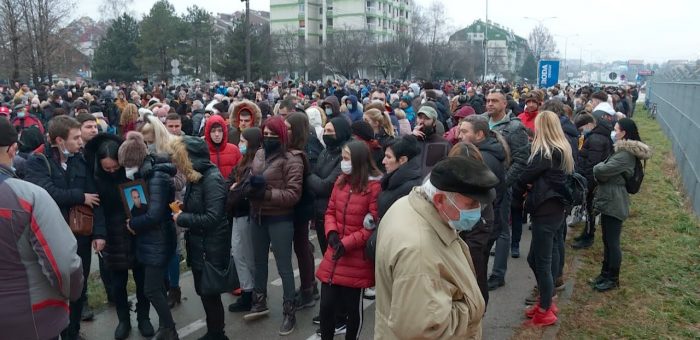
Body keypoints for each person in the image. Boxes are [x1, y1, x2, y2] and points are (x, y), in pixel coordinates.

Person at [375, 157, 498, 339]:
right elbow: (424, 329)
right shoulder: (419, 252)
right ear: (440, 199)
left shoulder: (410, 205)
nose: (477, 211)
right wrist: (473, 307)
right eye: (471, 204)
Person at [0, 117, 84, 340]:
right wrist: (73, 293)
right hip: (28, 318)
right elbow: (64, 265)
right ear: (12, 149)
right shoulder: (28, 196)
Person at [24, 115, 106, 340]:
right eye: (76, 138)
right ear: (60, 141)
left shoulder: (80, 160)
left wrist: (99, 233)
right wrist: (79, 196)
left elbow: (95, 199)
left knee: (78, 287)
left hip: (80, 237)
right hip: (51, 239)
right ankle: (56, 332)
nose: (81, 142)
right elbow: (46, 192)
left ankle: (73, 332)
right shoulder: (38, 161)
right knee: (55, 290)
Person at [85, 133, 154, 339]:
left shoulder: (133, 171)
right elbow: (97, 210)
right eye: (108, 168)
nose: (112, 171)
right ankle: (123, 320)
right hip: (111, 235)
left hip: (135, 230)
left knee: (142, 280)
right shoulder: (96, 179)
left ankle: (144, 318)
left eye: (115, 167)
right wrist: (98, 235)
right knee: (118, 283)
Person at [512, 111, 575, 327]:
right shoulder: (562, 148)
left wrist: (526, 185)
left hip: (545, 210)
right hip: (555, 208)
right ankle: (546, 302)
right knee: (542, 258)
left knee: (540, 261)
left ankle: (546, 308)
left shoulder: (545, 153)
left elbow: (524, 176)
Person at [242, 116, 303, 336]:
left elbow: (293, 194)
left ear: (282, 135)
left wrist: (266, 193)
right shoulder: (258, 153)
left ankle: (289, 310)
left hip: (280, 218)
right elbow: (251, 175)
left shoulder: (292, 159)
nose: (268, 138)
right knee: (259, 262)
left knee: (284, 266)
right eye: (265, 134)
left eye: (273, 135)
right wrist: (248, 187)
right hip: (257, 216)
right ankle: (259, 301)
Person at [316, 141, 382, 340]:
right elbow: (330, 211)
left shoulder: (373, 187)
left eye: (346, 159)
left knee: (353, 309)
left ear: (358, 161)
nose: (343, 163)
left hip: (355, 257)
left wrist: (348, 243)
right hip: (335, 252)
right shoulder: (341, 182)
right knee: (326, 306)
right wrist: (332, 233)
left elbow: (372, 226)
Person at [171, 136, 231, 340]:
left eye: (180, 158)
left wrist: (183, 218)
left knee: (210, 293)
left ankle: (218, 334)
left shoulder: (211, 178)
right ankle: (214, 332)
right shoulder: (196, 177)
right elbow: (201, 207)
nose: (177, 163)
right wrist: (184, 208)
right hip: (200, 244)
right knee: (205, 292)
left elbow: (213, 217)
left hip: (211, 246)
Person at [119, 131, 179, 340]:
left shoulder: (156, 177)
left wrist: (133, 223)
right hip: (153, 239)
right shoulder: (148, 174)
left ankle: (170, 328)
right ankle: (164, 326)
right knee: (157, 286)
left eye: (127, 165)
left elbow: (154, 214)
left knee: (151, 289)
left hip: (158, 238)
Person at [591, 118, 651, 292]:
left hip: (615, 201)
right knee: (607, 240)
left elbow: (601, 170)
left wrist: (599, 168)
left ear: (623, 133)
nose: (613, 132)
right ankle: (605, 273)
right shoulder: (621, 151)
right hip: (611, 198)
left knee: (612, 241)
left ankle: (612, 278)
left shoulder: (624, 154)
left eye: (616, 129)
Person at [573, 91, 616, 249]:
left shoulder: (596, 139)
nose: (581, 131)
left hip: (592, 181)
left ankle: (588, 237)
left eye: (582, 127)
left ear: (590, 124)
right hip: (592, 179)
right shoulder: (595, 136)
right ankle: (586, 233)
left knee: (591, 209)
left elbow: (593, 164)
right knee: (589, 209)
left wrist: (587, 185)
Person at [226, 127, 263, 313]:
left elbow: (242, 190)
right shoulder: (243, 161)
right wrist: (233, 187)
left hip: (247, 213)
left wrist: (235, 188)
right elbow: (230, 181)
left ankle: (256, 293)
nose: (240, 143)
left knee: (248, 255)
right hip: (237, 213)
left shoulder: (256, 162)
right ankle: (247, 290)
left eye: (243, 140)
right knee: (238, 252)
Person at [378, 135, 422, 218]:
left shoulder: (410, 188)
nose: (383, 161)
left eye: (388, 157)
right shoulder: (393, 179)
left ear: (402, 160)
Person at [412, 105, 451, 178]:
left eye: (427, 118)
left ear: (434, 123)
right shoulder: (411, 140)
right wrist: (412, 137)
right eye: (420, 118)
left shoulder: (444, 144)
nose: (422, 121)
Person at [204, 114, 242, 179]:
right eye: (213, 131)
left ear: (224, 131)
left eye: (219, 130)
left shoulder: (234, 150)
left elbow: (241, 172)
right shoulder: (203, 152)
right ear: (208, 133)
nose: (217, 134)